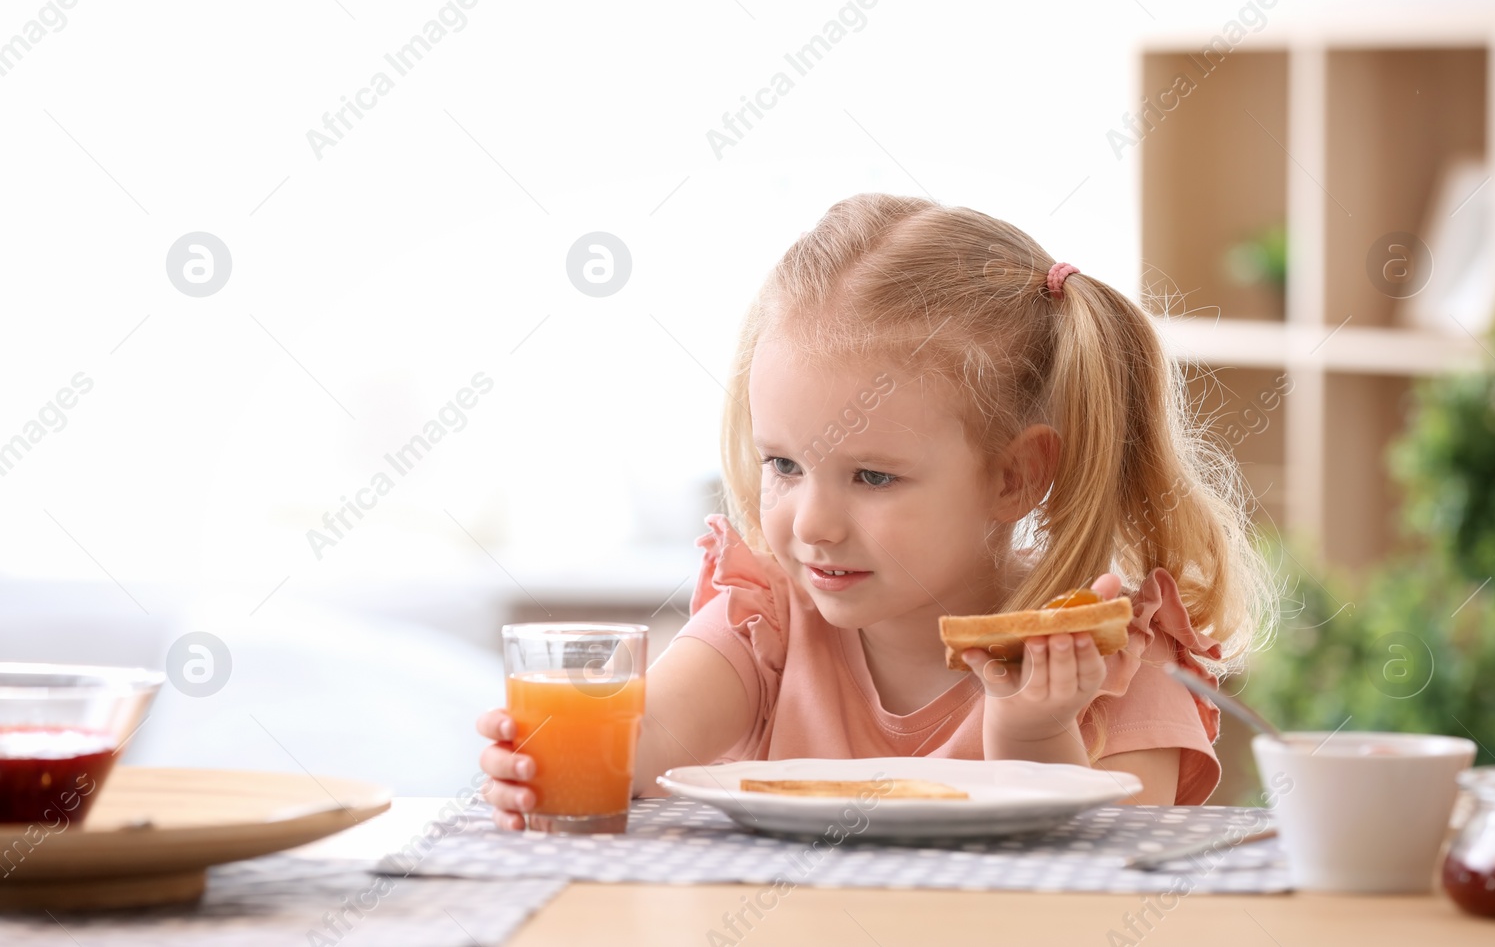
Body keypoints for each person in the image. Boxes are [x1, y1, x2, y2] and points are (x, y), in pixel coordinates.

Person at [476, 194, 1270, 827]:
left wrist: (1032, 735)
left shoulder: (1108, 661)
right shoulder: (770, 620)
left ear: (1014, 477)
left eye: (872, 478)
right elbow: (642, 743)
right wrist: (549, 756)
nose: (811, 524)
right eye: (782, 464)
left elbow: (1106, 894)